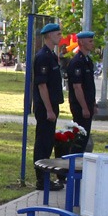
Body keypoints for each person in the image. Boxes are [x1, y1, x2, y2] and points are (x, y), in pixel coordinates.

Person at [32, 22, 66, 191]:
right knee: (43, 144)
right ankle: (42, 180)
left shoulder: (51, 55)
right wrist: (49, 109)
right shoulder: (43, 56)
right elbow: (42, 85)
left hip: (51, 105)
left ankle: (45, 178)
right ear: (49, 36)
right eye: (58, 34)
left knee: (47, 143)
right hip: (46, 107)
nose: (60, 37)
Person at [66, 30, 97, 153]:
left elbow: (90, 85)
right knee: (80, 137)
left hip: (88, 103)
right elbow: (77, 87)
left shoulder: (87, 60)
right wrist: (84, 107)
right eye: (90, 41)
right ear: (81, 42)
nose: (92, 43)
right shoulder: (77, 62)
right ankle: (74, 161)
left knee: (85, 136)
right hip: (79, 105)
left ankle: (79, 161)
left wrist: (93, 104)